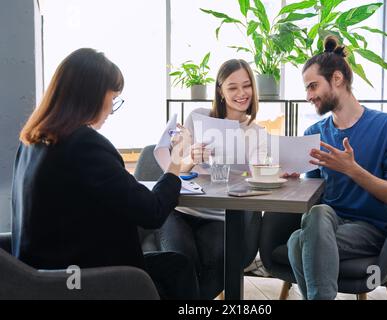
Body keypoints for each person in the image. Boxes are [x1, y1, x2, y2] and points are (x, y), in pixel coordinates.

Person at [11, 48, 199, 300]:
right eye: (113, 98)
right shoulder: (85, 144)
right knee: (178, 268)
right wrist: (176, 159)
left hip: (38, 279)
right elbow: (152, 212)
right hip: (84, 281)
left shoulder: (31, 142)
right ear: (92, 96)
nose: (111, 109)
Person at [286, 37, 387, 300]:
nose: (308, 96)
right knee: (317, 215)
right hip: (328, 220)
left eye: (313, 86)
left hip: (371, 228)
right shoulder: (314, 133)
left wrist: (352, 169)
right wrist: (295, 179)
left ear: (338, 79)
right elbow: (314, 194)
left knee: (298, 242)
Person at [157, 59, 267, 299]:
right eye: (232, 87)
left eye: (246, 86)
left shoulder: (256, 133)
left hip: (221, 217)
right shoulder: (197, 117)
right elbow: (174, 171)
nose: (241, 93)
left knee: (214, 262)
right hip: (182, 211)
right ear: (220, 90)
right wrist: (190, 158)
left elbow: (259, 178)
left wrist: (271, 171)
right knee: (180, 261)